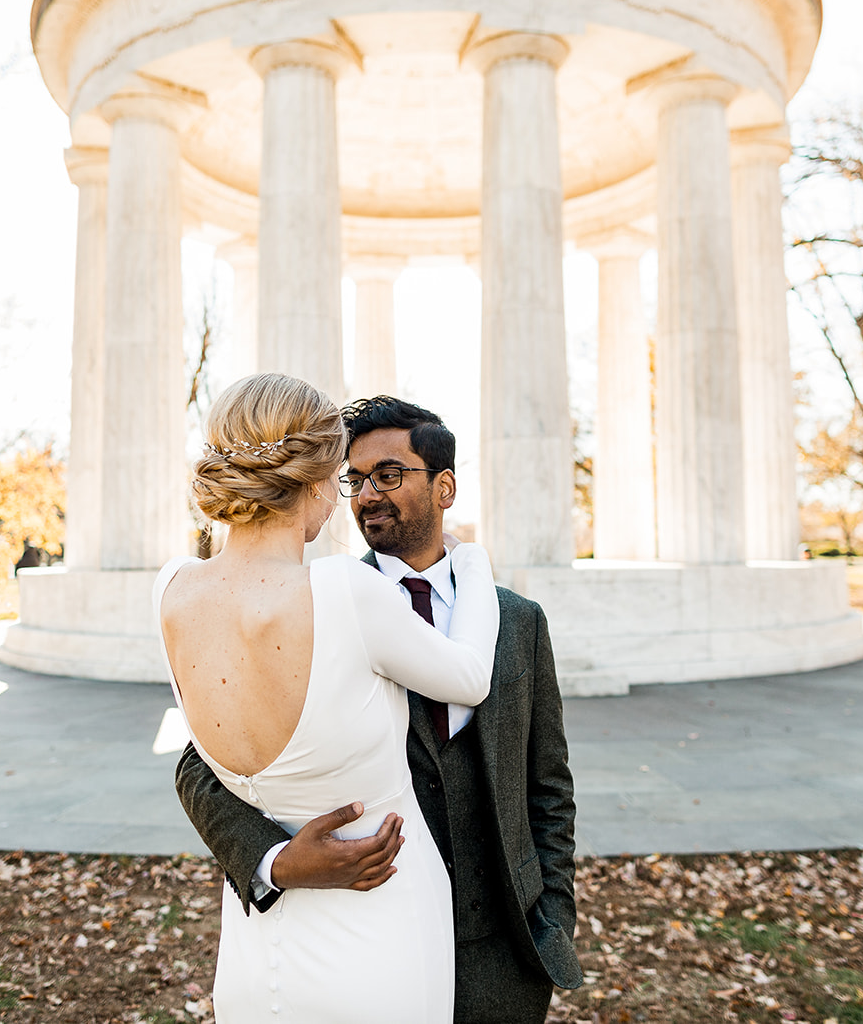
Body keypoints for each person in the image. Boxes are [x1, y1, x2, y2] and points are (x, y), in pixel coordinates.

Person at [178, 395, 583, 1024]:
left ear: (444, 486)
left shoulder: (519, 621)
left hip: (502, 954)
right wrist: (274, 861)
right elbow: (199, 762)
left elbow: (547, 783)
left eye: (389, 475)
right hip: (364, 928)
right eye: (354, 477)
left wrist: (550, 918)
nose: (366, 494)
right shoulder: (317, 599)